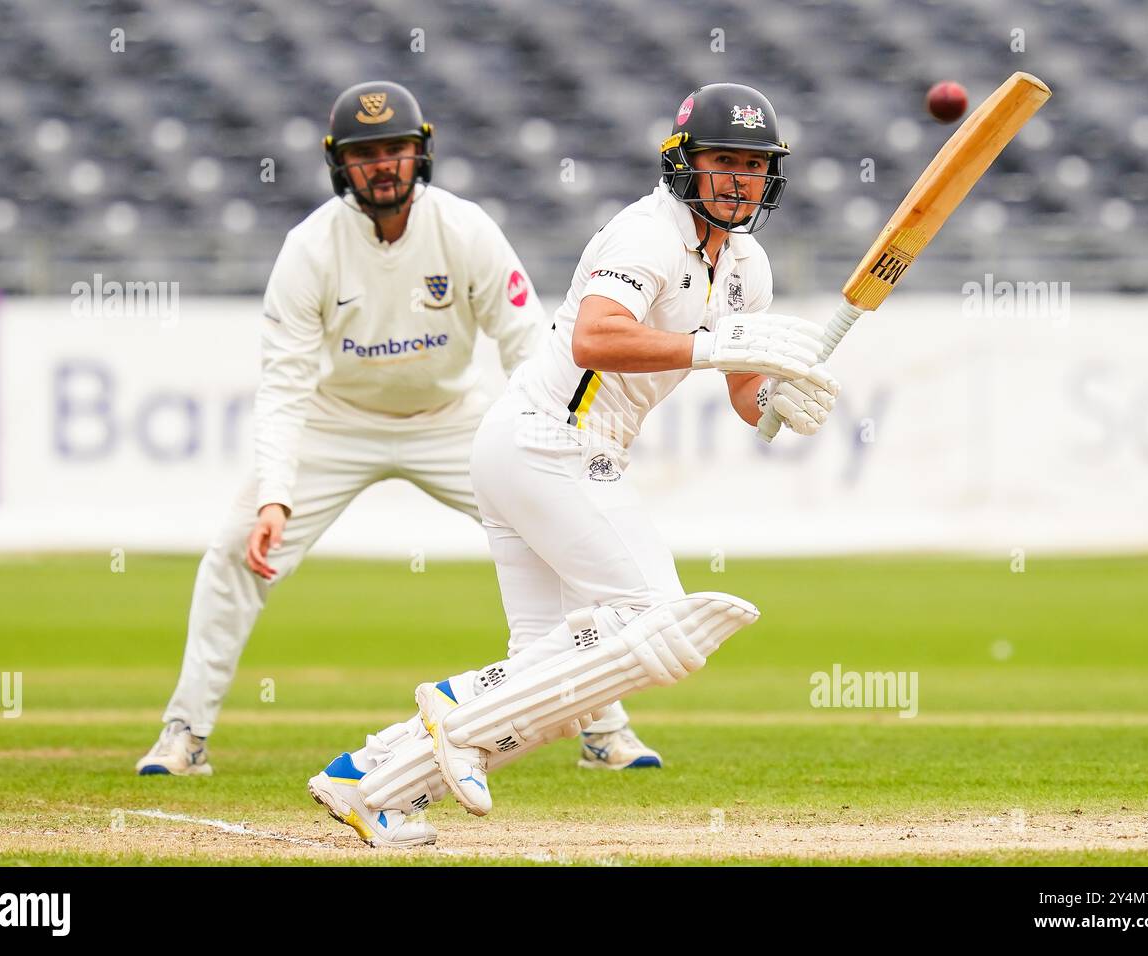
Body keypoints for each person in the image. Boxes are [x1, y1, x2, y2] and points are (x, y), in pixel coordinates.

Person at [305, 82, 842, 846]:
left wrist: (778, 404)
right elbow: (596, 337)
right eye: (723, 161)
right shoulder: (645, 235)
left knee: (555, 696)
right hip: (548, 443)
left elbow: (743, 391)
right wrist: (718, 347)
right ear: (682, 164)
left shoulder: (747, 265)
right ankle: (455, 700)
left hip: (545, 450)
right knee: (656, 624)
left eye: (754, 165)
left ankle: (368, 777)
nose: (739, 180)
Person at [137, 80, 572, 774]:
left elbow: (526, 343)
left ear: (420, 154)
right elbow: (283, 382)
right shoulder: (310, 247)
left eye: (396, 149)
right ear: (341, 163)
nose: (383, 165)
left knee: (560, 538)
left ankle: (604, 725)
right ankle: (185, 732)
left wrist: (546, 448)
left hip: (451, 420)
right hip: (334, 424)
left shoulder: (465, 230)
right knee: (234, 552)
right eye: (367, 153)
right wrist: (275, 496)